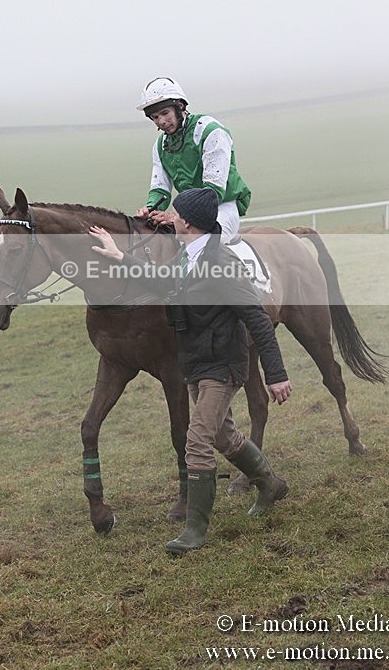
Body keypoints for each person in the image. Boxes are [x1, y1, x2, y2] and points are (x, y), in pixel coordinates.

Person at [90, 187, 292, 554]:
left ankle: (194, 530)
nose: (171, 218)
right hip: (196, 363)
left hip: (223, 365)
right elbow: (160, 281)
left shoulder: (222, 263)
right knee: (223, 437)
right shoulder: (187, 256)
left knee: (197, 440)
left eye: (176, 214)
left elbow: (258, 320)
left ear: (188, 223)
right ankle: (270, 483)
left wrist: (276, 374)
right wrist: (118, 255)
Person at [135, 77, 251, 243]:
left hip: (221, 208)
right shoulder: (160, 145)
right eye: (155, 117)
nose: (161, 122)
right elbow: (160, 189)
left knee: (201, 243)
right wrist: (150, 210)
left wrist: (176, 217)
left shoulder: (211, 131)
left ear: (180, 106)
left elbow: (212, 192)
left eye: (165, 113)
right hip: (186, 214)